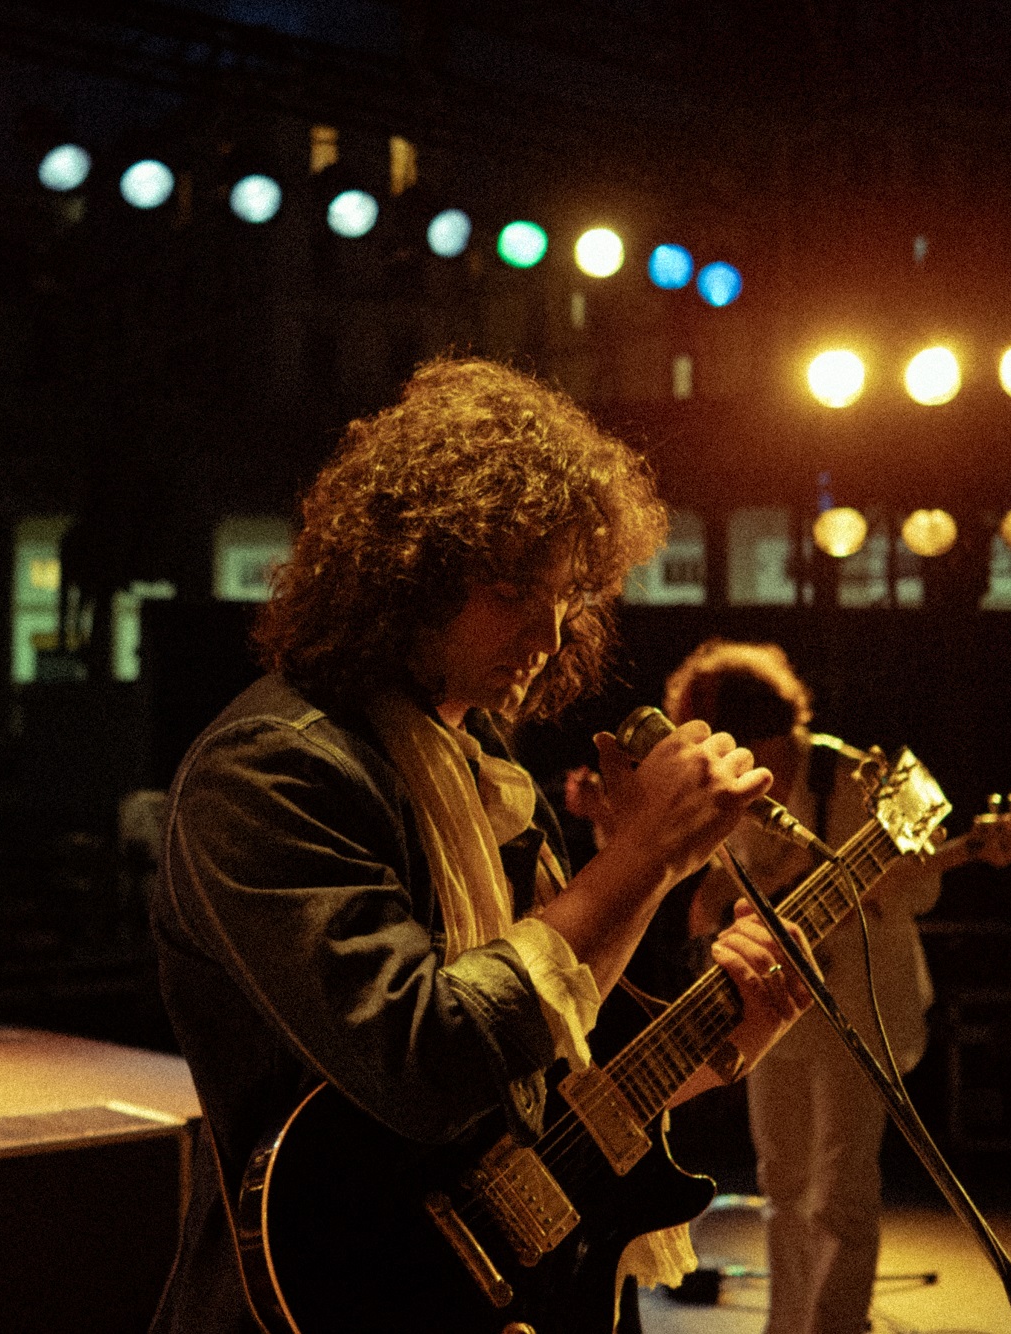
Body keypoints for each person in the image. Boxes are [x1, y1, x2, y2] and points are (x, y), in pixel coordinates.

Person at [147, 358, 813, 1333]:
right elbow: (425, 1061)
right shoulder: (270, 769)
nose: (550, 630)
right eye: (510, 590)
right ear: (401, 573)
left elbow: (546, 1072)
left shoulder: (476, 761)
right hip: (327, 1298)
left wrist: (723, 1040)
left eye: (569, 594)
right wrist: (641, 860)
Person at [664, 639, 1011, 1334]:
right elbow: (718, 884)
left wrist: (962, 851)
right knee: (781, 1183)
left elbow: (916, 887)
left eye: (743, 744)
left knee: (841, 1188)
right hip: (774, 1003)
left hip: (858, 1004)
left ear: (765, 729)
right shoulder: (733, 783)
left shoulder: (853, 776)